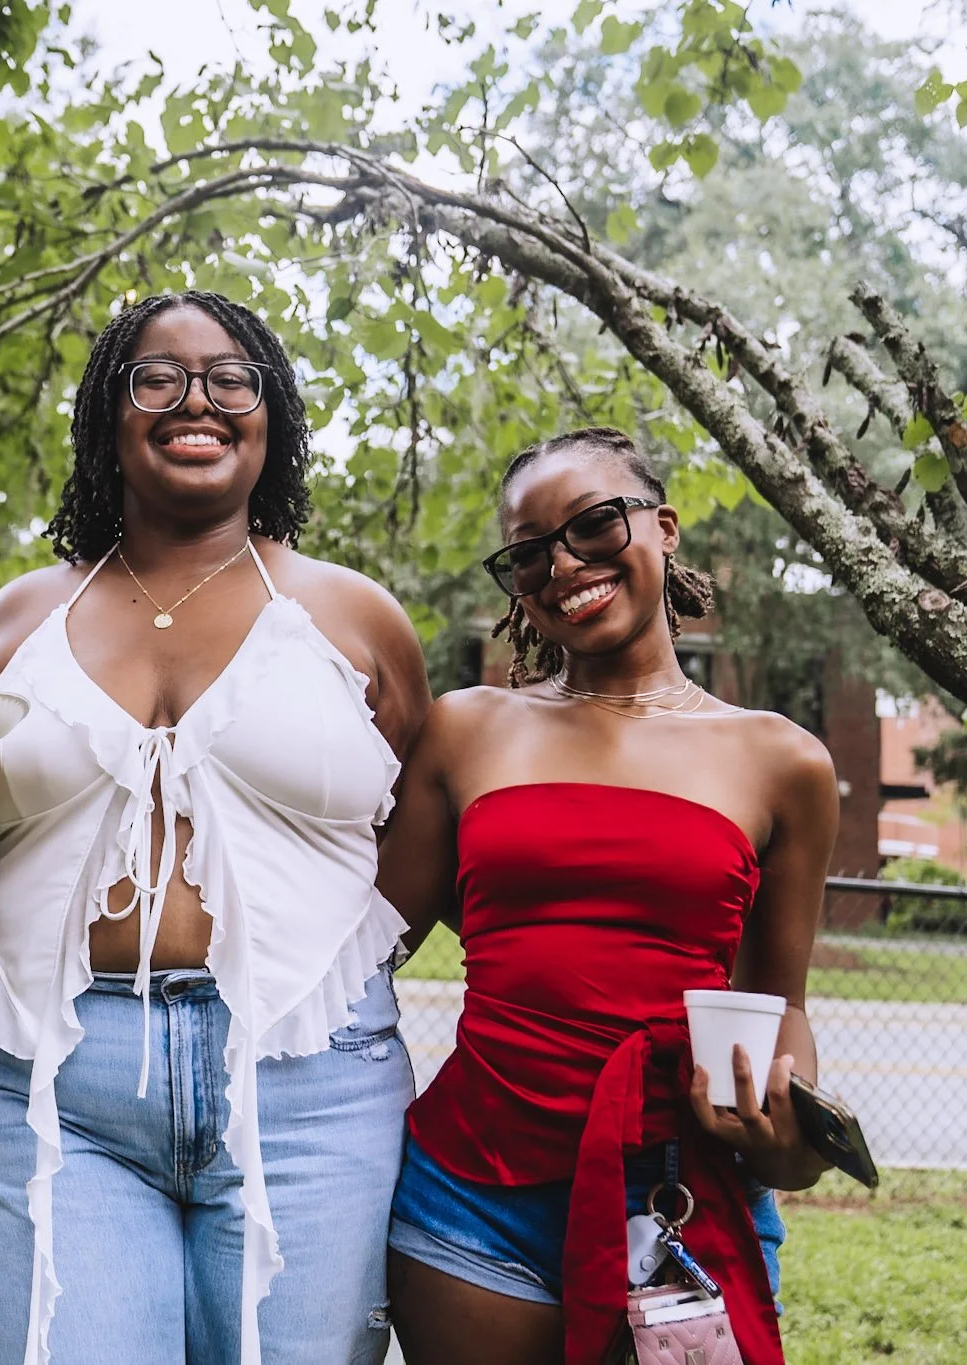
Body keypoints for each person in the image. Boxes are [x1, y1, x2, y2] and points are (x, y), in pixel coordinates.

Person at [0, 290, 432, 1365]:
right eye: (155, 377)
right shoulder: (19, 619)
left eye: (228, 380)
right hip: (55, 1080)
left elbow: (415, 842)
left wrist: (333, 980)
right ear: (107, 416)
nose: (192, 401)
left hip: (309, 1076)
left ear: (272, 416)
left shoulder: (352, 617)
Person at [378, 426, 834, 1365]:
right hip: (474, 1200)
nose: (564, 564)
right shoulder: (467, 728)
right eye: (530, 551)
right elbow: (358, 945)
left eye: (593, 525)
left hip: (682, 1204)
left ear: (662, 528)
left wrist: (791, 1145)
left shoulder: (783, 760)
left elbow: (777, 1007)